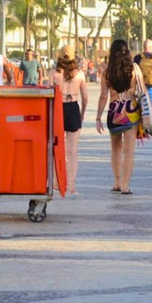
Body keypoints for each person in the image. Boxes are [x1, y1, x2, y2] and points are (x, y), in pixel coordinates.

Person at [95, 39, 143, 195]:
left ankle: (116, 182)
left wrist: (98, 117)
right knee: (129, 151)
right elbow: (142, 91)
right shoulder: (134, 69)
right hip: (131, 112)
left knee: (115, 149)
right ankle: (125, 185)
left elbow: (103, 96)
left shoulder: (107, 73)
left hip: (114, 112)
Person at [54, 45, 88, 195]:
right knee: (72, 151)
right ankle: (71, 185)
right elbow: (85, 97)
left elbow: (48, 94)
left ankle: (56, 182)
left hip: (57, 109)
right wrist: (82, 113)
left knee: (57, 148)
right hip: (73, 107)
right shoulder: (79, 75)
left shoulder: (54, 74)